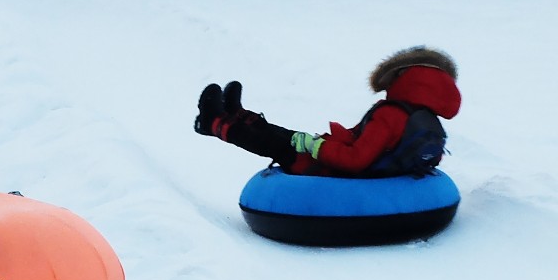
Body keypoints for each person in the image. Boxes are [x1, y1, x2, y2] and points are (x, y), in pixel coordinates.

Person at [195, 46, 460, 176]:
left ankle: (215, 123)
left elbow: (356, 159)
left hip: (332, 174)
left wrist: (315, 147)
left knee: (277, 144)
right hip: (365, 172)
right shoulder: (423, 118)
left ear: (404, 78)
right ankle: (239, 115)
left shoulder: (392, 115)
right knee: (288, 136)